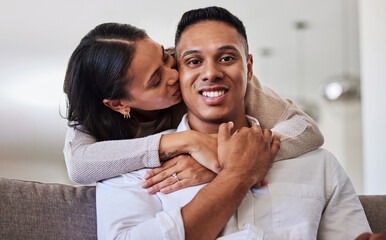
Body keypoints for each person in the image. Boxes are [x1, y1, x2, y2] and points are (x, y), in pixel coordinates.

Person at [96, 6, 370, 239]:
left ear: (249, 68)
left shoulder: (319, 165)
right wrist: (237, 172)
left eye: (227, 58)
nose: (211, 73)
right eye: (193, 61)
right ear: (178, 73)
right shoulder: (133, 172)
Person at [63, 22, 323, 192]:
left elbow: (306, 129)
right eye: (156, 80)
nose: (174, 75)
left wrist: (225, 162)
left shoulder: (201, 72)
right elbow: (78, 165)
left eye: (166, 58)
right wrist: (185, 142)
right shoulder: (92, 113)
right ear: (119, 104)